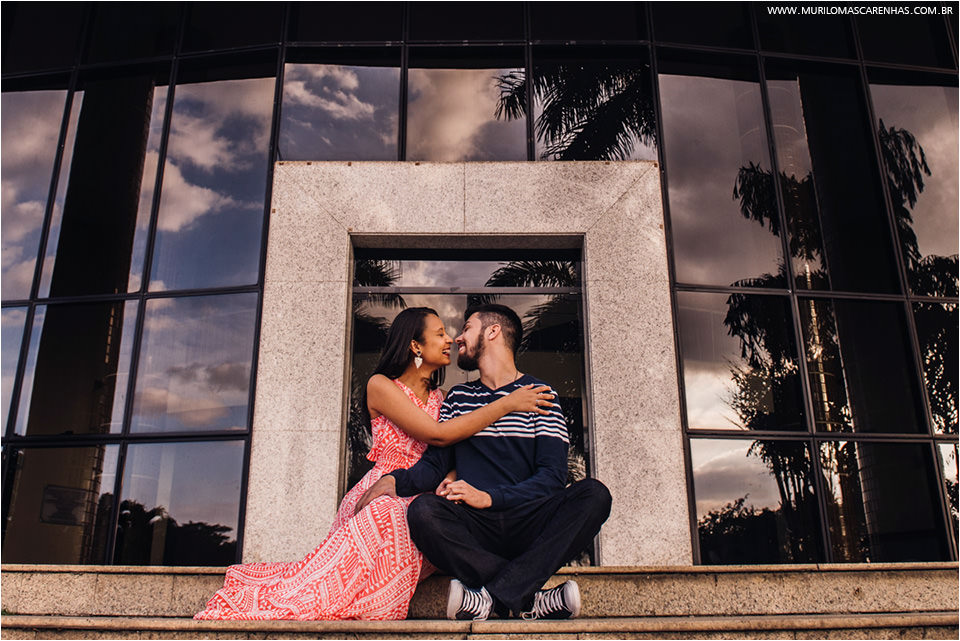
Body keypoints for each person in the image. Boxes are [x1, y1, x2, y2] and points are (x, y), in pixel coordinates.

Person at [194, 307, 555, 620]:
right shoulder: (381, 386)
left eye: (454, 333)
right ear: (415, 346)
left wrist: (450, 478)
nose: (450, 340)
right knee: (387, 516)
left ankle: (506, 588)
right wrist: (508, 404)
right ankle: (524, 591)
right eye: (440, 333)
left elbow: (450, 454)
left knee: (429, 516)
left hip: (425, 486)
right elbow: (440, 436)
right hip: (390, 482)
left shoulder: (446, 397)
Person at [356, 304, 612, 621]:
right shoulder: (459, 398)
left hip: (527, 518)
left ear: (492, 332)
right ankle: (527, 597)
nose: (458, 338)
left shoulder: (541, 396)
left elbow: (551, 479)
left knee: (594, 495)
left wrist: (490, 497)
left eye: (467, 328)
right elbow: (435, 467)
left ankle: (491, 599)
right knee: (423, 511)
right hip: (475, 525)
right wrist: (396, 481)